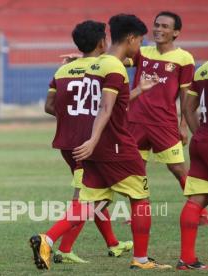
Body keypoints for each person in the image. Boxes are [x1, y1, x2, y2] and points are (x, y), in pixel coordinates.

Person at [30, 14, 172, 271]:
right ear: (130, 38)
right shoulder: (113, 67)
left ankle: (47, 239)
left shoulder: (96, 65)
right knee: (141, 199)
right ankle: (141, 259)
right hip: (115, 144)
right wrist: (95, 139)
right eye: (139, 41)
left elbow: (108, 104)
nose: (139, 47)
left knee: (89, 204)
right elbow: (105, 109)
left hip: (94, 147)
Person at [31, 20, 132, 268]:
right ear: (102, 42)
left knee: (95, 194)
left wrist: (73, 118)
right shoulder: (108, 66)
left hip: (67, 142)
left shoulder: (63, 70)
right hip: (92, 144)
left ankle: (113, 243)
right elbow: (109, 99)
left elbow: (49, 107)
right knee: (89, 200)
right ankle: (55, 243)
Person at [125, 12, 208, 222]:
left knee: (178, 168)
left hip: (164, 123)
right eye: (156, 25)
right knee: (136, 168)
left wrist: (182, 125)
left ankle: (201, 211)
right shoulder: (142, 52)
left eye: (165, 26)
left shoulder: (184, 58)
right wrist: (83, 59)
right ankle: (139, 211)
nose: (159, 30)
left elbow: (185, 96)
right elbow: (114, 59)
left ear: (176, 32)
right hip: (135, 121)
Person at [177, 61, 208, 270]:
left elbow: (188, 108)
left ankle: (187, 259)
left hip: (201, 139)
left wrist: (200, 135)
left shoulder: (203, 68)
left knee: (196, 201)